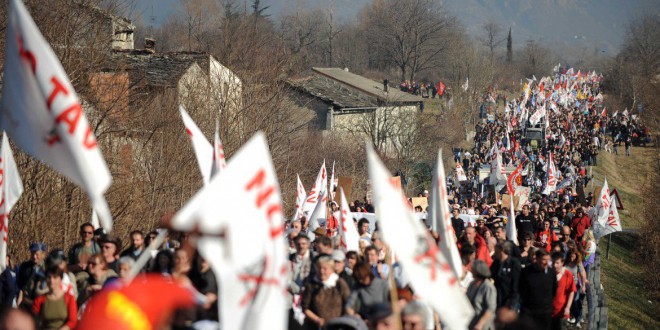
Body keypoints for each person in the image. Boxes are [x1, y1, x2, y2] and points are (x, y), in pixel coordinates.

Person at [301, 255, 350, 329]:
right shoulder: (312, 285)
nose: (321, 271)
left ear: (332, 269)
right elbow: (305, 307)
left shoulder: (339, 283)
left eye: (325, 269)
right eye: (319, 268)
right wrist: (317, 319)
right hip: (315, 326)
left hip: (336, 326)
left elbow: (348, 303)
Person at [519, 249, 557, 330]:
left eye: (548, 260)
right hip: (529, 311)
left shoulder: (551, 273)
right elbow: (520, 288)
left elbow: (554, 290)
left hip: (545, 312)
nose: (546, 262)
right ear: (537, 259)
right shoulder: (526, 272)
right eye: (544, 260)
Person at [490, 241, 520, 311]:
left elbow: (516, 283)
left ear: (502, 250)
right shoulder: (496, 263)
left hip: (511, 301)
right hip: (498, 298)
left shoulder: (514, 264)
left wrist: (512, 301)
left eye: (496, 250)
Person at [467, 260, 497, 330]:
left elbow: (490, 308)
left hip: (483, 326)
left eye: (473, 269)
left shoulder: (488, 287)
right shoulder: (472, 284)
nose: (471, 270)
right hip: (471, 323)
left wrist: (480, 324)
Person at [17, 242, 47, 309]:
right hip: (26, 303)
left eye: (37, 254)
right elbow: (20, 284)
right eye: (32, 253)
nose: (34, 256)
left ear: (43, 254)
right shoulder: (24, 267)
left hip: (42, 304)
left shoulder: (48, 268)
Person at [551, 252, 576, 330]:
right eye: (553, 262)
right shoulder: (548, 273)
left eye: (557, 263)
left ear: (562, 262)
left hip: (561, 312)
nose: (555, 265)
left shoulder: (568, 274)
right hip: (548, 312)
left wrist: (568, 307)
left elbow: (571, 291)